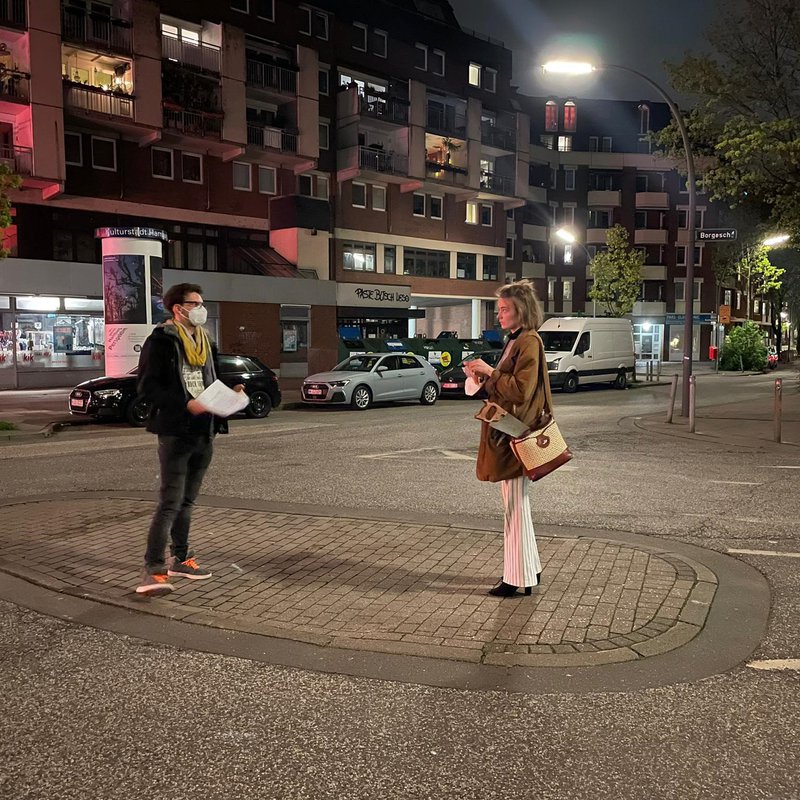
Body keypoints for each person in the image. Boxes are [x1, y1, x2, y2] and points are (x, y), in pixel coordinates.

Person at [135, 282, 243, 596]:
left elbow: (213, 379)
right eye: (194, 303)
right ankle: (152, 570)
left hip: (204, 430)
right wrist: (185, 404)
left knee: (187, 502)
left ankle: (180, 558)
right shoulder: (161, 341)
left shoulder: (206, 341)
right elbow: (147, 387)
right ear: (177, 308)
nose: (200, 308)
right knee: (169, 503)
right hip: (175, 430)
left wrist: (231, 394)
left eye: (201, 302)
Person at [464, 279, 550, 597]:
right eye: (498, 309)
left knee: (513, 507)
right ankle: (528, 570)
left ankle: (515, 578)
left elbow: (519, 389)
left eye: (504, 309)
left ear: (521, 311)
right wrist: (482, 377)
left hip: (514, 435)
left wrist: (490, 371)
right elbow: (506, 385)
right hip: (509, 433)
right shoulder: (518, 341)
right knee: (517, 506)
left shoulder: (528, 342)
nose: (498, 315)